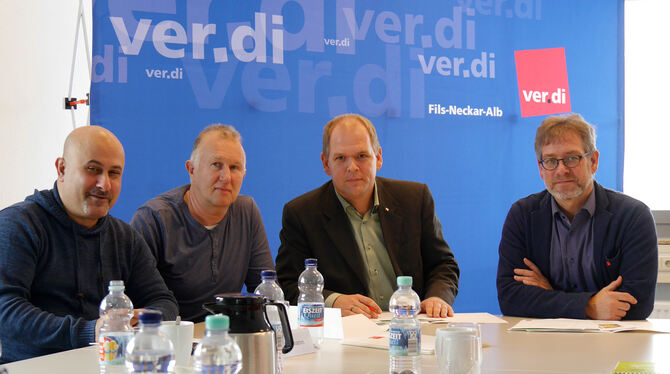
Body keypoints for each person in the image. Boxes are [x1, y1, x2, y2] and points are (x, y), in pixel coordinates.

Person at [0, 126, 178, 363]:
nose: (104, 184)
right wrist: (91, 331)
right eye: (93, 170)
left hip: (110, 365)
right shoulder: (18, 225)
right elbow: (6, 310)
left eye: (114, 173)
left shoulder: (125, 237)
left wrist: (144, 319)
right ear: (62, 169)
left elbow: (164, 301)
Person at [275, 114, 460, 318]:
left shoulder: (414, 199)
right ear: (326, 163)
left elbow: (442, 265)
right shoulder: (302, 214)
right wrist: (333, 301)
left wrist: (437, 297)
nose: (352, 167)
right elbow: (288, 286)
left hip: (411, 326)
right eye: (340, 158)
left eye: (362, 156)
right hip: (347, 334)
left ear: (378, 157)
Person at [497, 113, 657, 320]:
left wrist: (548, 294)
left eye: (572, 158)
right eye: (551, 161)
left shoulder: (633, 217)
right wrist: (589, 306)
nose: (561, 170)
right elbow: (510, 298)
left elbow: (638, 303)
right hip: (542, 343)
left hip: (613, 344)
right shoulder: (523, 215)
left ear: (593, 161)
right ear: (540, 168)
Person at [131, 124, 274, 322]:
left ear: (244, 175)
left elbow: (266, 290)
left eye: (235, 168)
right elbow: (136, 306)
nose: (226, 177)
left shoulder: (247, 211)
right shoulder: (153, 219)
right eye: (216, 164)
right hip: (169, 341)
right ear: (192, 169)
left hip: (226, 339)